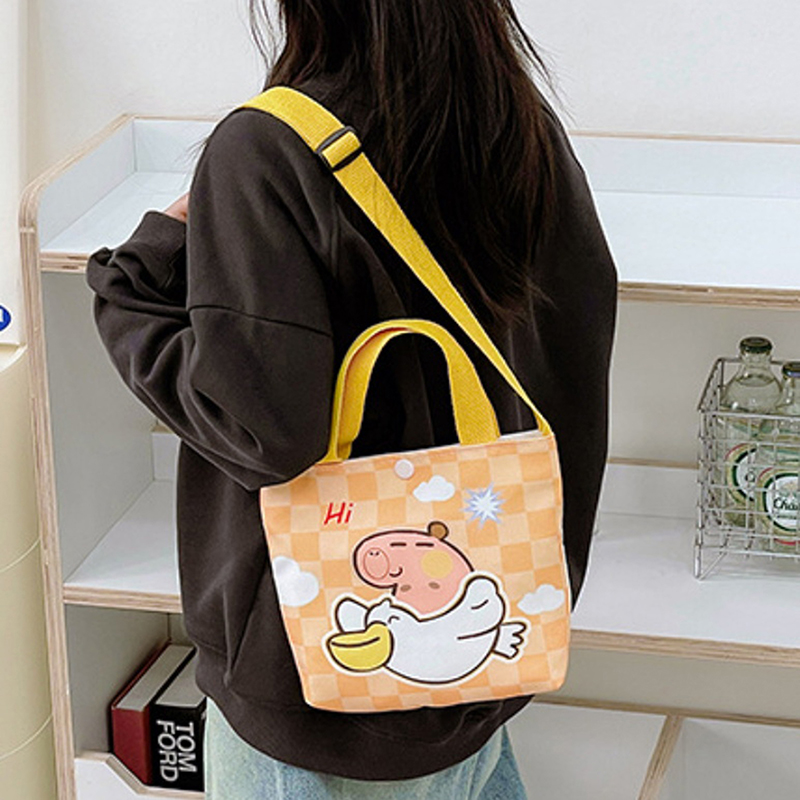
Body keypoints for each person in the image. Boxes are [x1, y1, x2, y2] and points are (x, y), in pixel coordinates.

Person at [86, 0, 617, 796]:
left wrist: (132, 284)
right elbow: (574, 348)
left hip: (313, 701)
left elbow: (261, 427)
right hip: (478, 680)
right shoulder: (518, 126)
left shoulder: (270, 148)